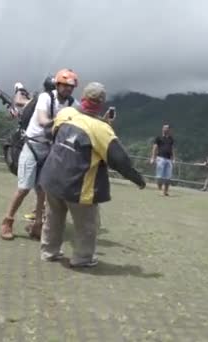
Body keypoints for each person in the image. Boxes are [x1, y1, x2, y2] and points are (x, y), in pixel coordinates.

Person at [39, 82, 146, 267]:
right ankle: (82, 258)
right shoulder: (102, 130)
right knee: (87, 225)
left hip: (53, 177)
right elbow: (120, 160)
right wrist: (138, 179)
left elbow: (51, 133)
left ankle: (49, 252)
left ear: (83, 97)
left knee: (53, 218)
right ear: (102, 103)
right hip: (78, 186)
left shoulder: (66, 113)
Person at [0, 68, 78, 240]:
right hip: (33, 145)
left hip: (50, 149)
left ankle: (37, 225)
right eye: (64, 85)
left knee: (44, 190)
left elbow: (83, 118)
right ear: (57, 85)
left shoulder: (72, 103)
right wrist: (62, 121)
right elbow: (43, 121)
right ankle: (7, 221)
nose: (68, 89)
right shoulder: (45, 97)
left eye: (71, 86)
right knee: (24, 188)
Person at [150, 124, 175, 196]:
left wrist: (173, 159)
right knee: (159, 177)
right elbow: (154, 148)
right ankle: (160, 189)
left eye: (166, 128)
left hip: (169, 160)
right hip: (160, 158)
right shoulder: (159, 138)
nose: (164, 129)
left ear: (169, 130)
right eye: (164, 128)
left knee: (168, 177)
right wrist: (153, 158)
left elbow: (172, 149)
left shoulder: (171, 139)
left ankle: (165, 191)